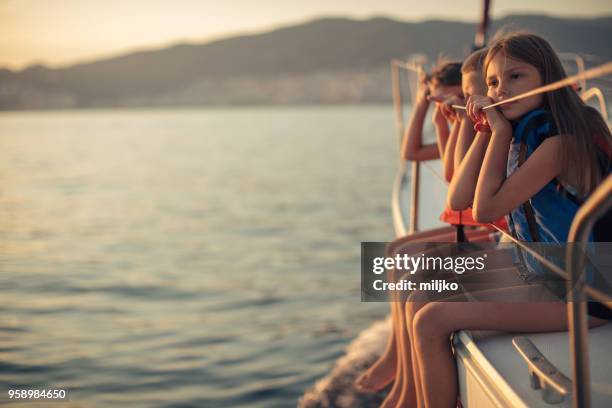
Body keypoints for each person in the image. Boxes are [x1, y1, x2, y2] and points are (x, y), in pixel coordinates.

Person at [395, 32, 612, 408]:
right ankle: (409, 396)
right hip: (546, 269)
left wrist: (498, 131)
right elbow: (458, 196)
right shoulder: (523, 131)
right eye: (493, 82)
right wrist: (484, 130)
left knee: (431, 320)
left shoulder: (560, 144)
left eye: (516, 77)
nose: (499, 90)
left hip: (587, 292)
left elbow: (484, 210)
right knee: (417, 286)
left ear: (546, 78)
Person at [354, 52, 502, 400]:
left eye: (462, 95)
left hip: (487, 230)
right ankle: (397, 358)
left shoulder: (488, 129)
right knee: (392, 252)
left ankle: (404, 376)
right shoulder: (472, 126)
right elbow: (414, 153)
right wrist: (432, 112)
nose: (456, 102)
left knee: (406, 257)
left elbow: (453, 180)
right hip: (474, 223)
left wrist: (461, 120)